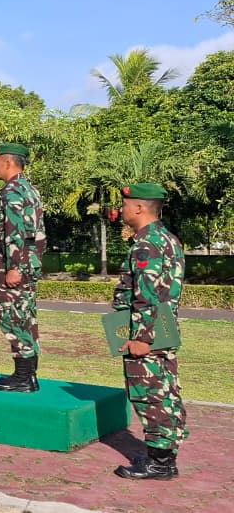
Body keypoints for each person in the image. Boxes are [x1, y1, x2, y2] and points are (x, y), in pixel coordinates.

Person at [111, 183, 188, 480]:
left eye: (125, 205)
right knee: (166, 389)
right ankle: (164, 455)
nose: (122, 209)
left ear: (140, 207)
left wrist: (141, 338)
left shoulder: (147, 244)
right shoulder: (167, 239)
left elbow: (147, 295)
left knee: (149, 394)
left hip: (149, 330)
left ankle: (159, 463)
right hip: (164, 325)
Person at [0, 143, 48, 393]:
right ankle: (27, 375)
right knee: (26, 317)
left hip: (14, 264)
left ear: (8, 162)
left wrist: (14, 267)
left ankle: (24, 377)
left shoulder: (12, 191)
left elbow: (15, 231)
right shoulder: (29, 189)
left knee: (14, 318)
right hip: (28, 263)